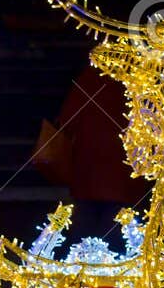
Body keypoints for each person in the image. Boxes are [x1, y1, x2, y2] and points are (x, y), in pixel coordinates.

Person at [55, 62, 145, 242]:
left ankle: (80, 262)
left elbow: (68, 119)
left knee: (84, 221)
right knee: (116, 224)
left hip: (89, 161)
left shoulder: (90, 77)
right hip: (123, 164)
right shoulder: (136, 79)